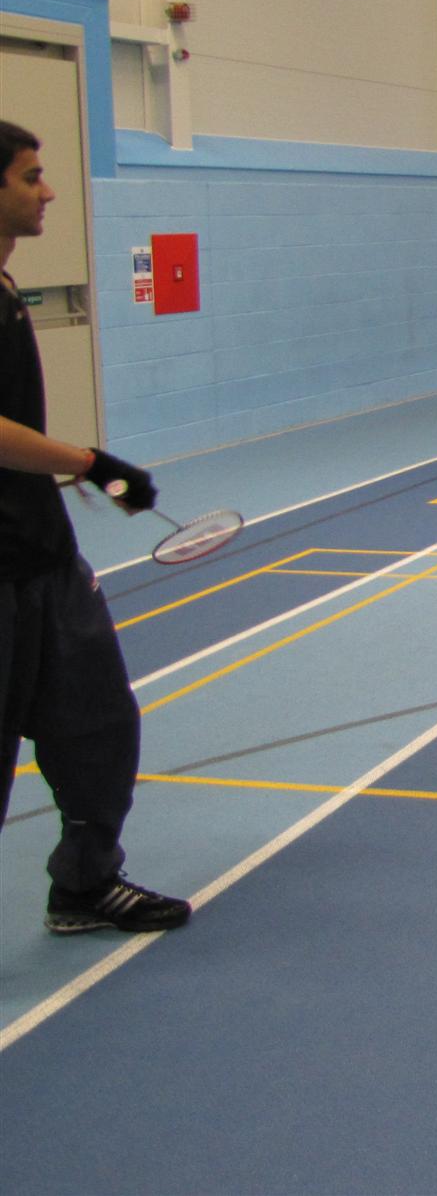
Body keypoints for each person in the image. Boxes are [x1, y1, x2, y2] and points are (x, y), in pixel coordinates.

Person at [0, 119, 191, 935]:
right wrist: (88, 463)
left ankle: (83, 884)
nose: (46, 191)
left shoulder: (7, 289)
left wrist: (78, 475)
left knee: (99, 727)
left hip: (45, 562)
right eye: (30, 176)